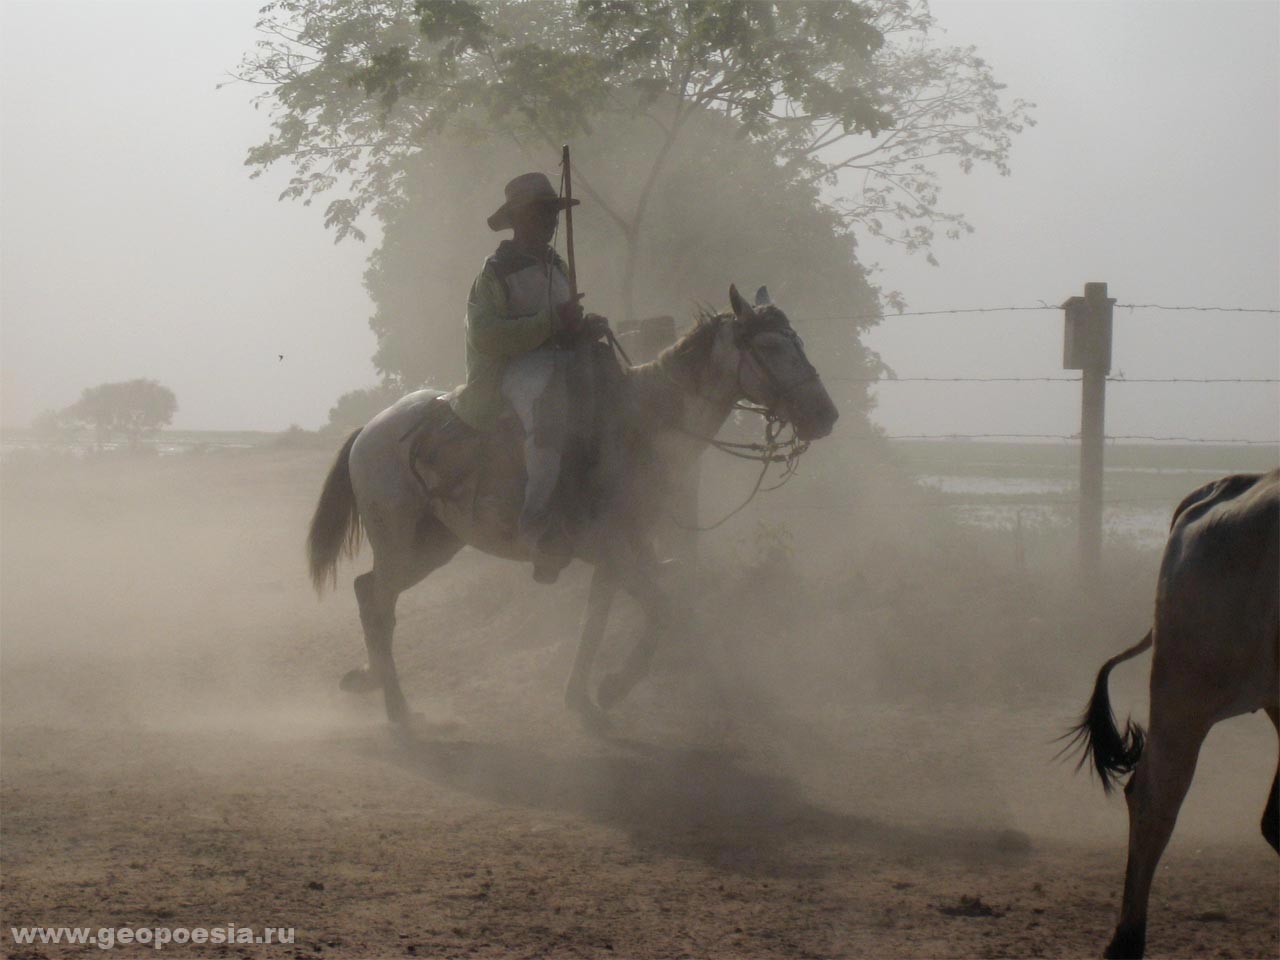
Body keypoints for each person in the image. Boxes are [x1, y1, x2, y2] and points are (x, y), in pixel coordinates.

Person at [450, 172, 608, 582]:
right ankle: (537, 527)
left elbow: (565, 322)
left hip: (562, 360)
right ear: (519, 219)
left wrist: (583, 326)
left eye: (553, 212)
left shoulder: (557, 266)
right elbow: (486, 336)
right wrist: (552, 322)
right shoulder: (495, 273)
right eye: (543, 213)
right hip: (515, 369)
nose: (552, 221)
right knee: (549, 409)